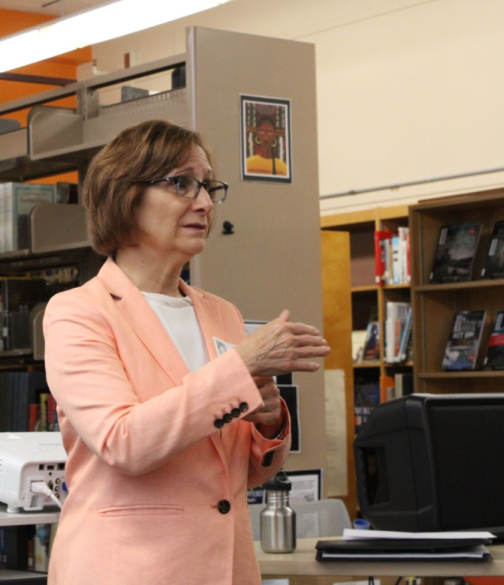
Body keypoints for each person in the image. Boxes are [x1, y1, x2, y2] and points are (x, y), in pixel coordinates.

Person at [42, 120, 330, 585]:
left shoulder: (222, 314)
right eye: (181, 183)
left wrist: (270, 424)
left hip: (227, 568)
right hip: (128, 572)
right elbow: (124, 442)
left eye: (208, 186)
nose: (203, 202)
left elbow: (238, 474)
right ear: (124, 195)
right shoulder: (77, 313)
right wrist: (242, 368)